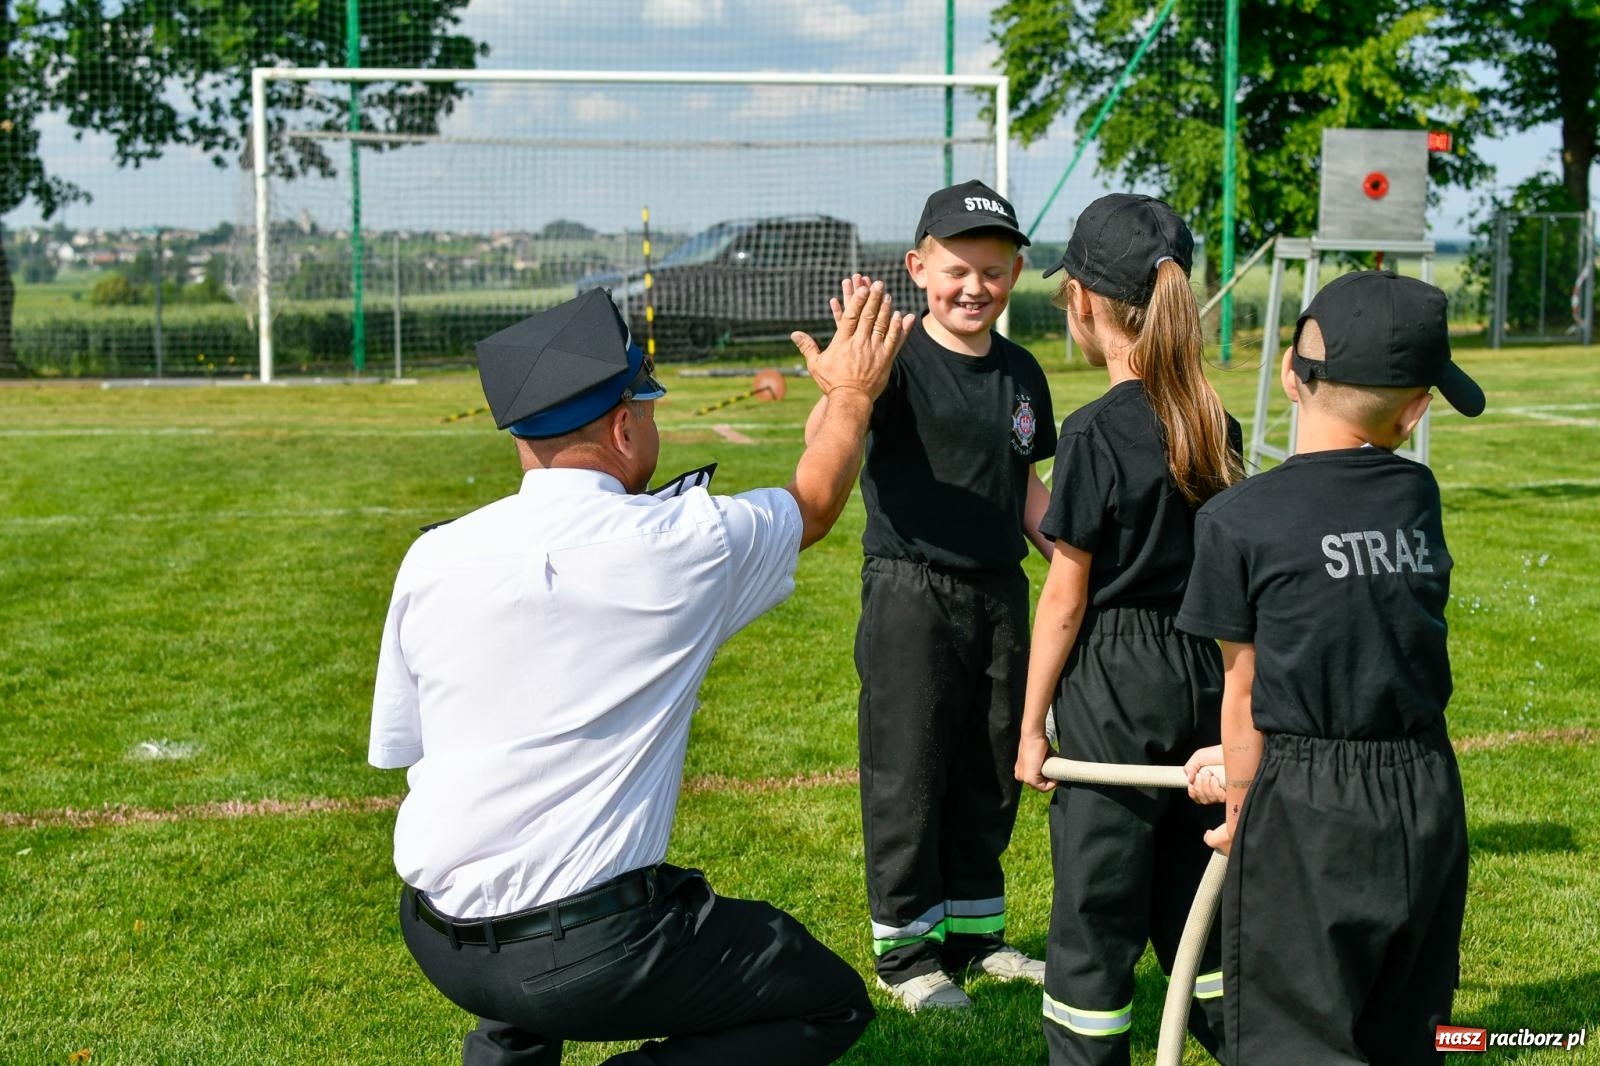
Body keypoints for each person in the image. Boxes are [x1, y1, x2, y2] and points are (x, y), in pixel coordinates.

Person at [369, 282, 915, 1065]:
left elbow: (407, 745)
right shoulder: (687, 541)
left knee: (524, 958)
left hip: (437, 934)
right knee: (828, 1001)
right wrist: (852, 393)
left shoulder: (434, 555)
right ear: (624, 426)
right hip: (589, 951)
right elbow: (816, 500)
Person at [1177, 270, 1482, 1064]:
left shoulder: (1236, 520)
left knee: (1295, 1030)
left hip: (1310, 807)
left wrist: (1243, 799)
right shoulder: (1417, 494)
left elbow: (1243, 688)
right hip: (1424, 785)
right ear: (1415, 411)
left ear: (1290, 372)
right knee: (1408, 1021)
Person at [806, 179, 1056, 1013]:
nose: (974, 287)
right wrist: (844, 386)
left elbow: (1025, 487)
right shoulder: (894, 360)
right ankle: (908, 953)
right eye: (957, 270)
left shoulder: (1022, 372)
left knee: (990, 769)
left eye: (992, 270)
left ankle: (977, 935)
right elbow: (829, 436)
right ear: (918, 268)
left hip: (1000, 594)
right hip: (911, 593)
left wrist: (1074, 555)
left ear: (1013, 274)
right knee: (910, 771)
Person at [1014, 194, 1240, 1065]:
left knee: (1096, 903)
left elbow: (1065, 598)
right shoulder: (1214, 420)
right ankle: (1249, 1039)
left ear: (1081, 302)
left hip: (1114, 681)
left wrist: (1031, 728)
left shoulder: (1092, 432)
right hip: (1203, 668)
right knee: (1197, 892)